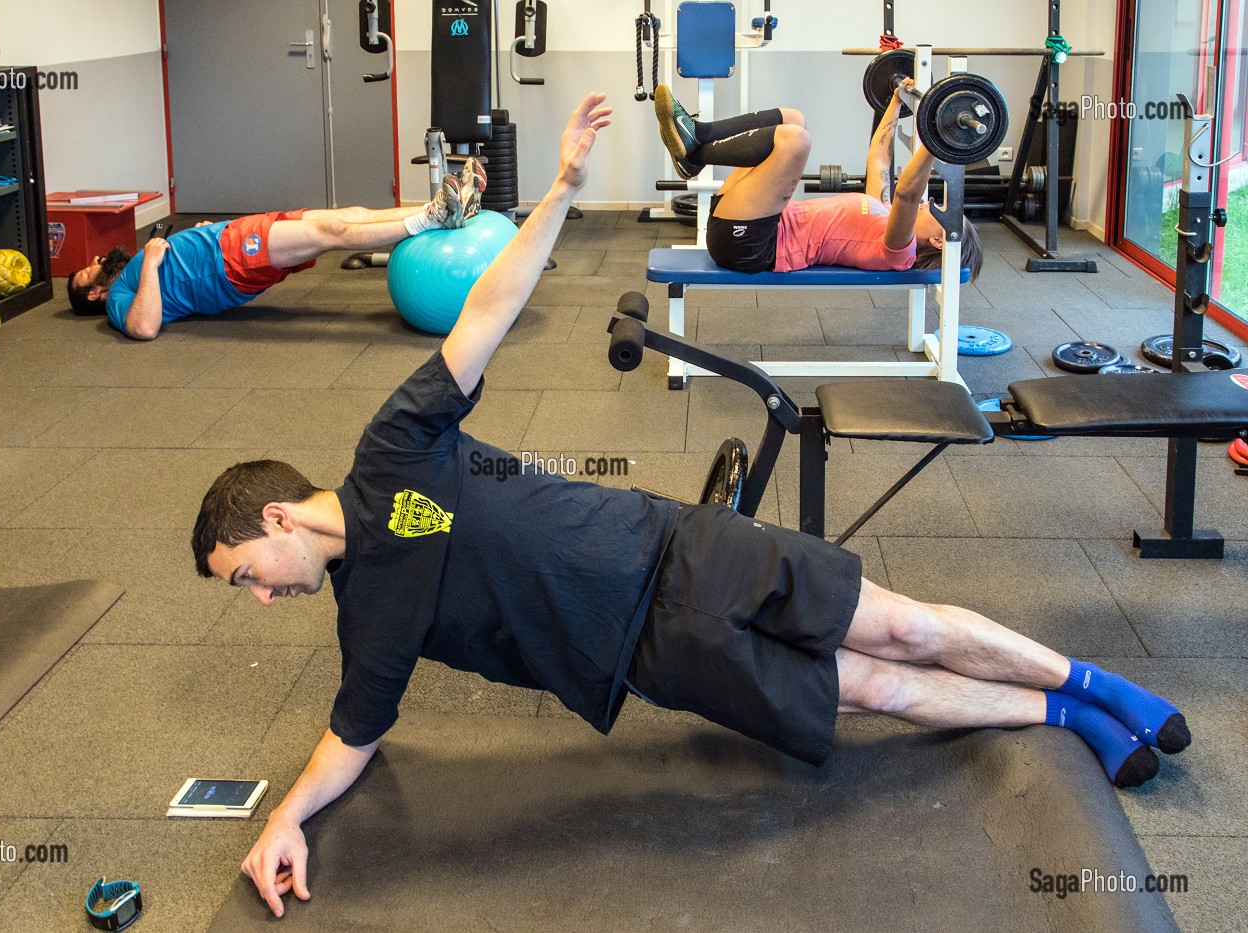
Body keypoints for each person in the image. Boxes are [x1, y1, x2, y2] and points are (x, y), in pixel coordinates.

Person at [189, 93, 1188, 919]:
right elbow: (349, 742)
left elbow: (485, 310)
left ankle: (1098, 683)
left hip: (681, 545)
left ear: (272, 521)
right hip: (658, 656)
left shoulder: (390, 453)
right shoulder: (367, 616)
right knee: (871, 689)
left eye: (245, 580)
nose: (262, 600)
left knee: (904, 625)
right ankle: (1059, 714)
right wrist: (283, 818)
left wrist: (561, 194)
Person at [67, 162, 487, 340]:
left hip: (227, 236)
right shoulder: (119, 301)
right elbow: (144, 328)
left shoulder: (125, 277)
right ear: (93, 295)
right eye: (85, 275)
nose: (93, 263)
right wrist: (154, 262)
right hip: (227, 262)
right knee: (333, 231)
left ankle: (442, 206)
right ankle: (433, 218)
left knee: (352, 212)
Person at [652, 83, 982, 279]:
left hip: (753, 246)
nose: (930, 205)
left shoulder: (900, 251)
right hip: (755, 221)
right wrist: (895, 100)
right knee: (794, 118)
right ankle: (698, 138)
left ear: (940, 241)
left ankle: (694, 155)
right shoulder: (881, 208)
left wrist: (938, 140)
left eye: (938, 210)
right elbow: (879, 158)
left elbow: (910, 192)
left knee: (795, 140)